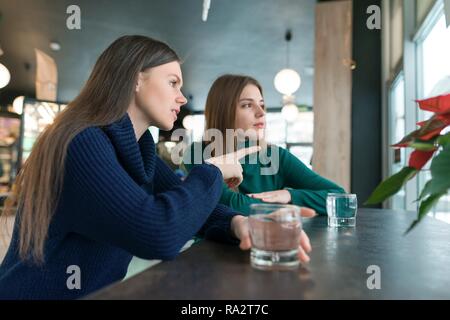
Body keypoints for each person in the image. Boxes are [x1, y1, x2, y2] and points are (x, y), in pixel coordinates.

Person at [0, 37, 313, 300]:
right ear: (136, 78)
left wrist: (240, 223)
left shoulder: (139, 149)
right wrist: (213, 171)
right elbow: (157, 233)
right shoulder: (82, 142)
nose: (181, 98)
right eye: (173, 82)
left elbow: (187, 206)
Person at [183, 74, 345, 215]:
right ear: (224, 111)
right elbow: (231, 205)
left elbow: (341, 199)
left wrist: (289, 196)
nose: (261, 112)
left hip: (268, 243)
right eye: (247, 105)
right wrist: (289, 209)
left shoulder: (276, 156)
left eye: (261, 104)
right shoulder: (198, 152)